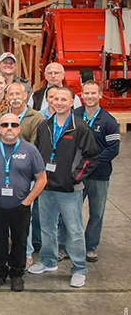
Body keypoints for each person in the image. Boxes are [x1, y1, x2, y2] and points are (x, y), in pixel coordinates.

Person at [28, 87, 98, 288]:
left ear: (72, 102)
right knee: (47, 227)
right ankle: (48, 260)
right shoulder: (45, 126)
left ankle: (79, 269)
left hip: (69, 190)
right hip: (46, 187)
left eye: (63, 99)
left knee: (74, 230)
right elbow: (38, 152)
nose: (59, 102)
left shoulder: (80, 128)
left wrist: (74, 178)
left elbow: (91, 157)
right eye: (56, 99)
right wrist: (39, 177)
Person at [0, 113, 47, 292]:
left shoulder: (31, 150)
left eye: (13, 125)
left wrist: (27, 201)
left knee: (20, 240)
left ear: (19, 128)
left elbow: (41, 179)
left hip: (20, 205)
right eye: (5, 125)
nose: (9, 128)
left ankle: (17, 274)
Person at [73, 80, 120, 263]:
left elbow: (113, 149)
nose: (90, 96)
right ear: (81, 95)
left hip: (99, 174)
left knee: (97, 212)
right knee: (71, 210)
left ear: (100, 95)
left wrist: (91, 163)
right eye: (86, 93)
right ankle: (68, 245)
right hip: (77, 174)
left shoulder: (108, 121)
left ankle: (91, 246)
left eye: (93, 93)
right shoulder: (74, 115)